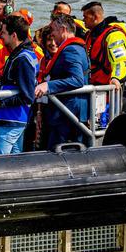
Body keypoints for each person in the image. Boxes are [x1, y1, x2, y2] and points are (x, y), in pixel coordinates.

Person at [34, 13, 90, 150]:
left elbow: (77, 80)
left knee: (58, 151)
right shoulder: (78, 48)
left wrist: (48, 85)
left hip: (68, 114)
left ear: (63, 30)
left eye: (53, 30)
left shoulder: (70, 50)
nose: (51, 34)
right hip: (71, 112)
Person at [0, 14, 38, 155]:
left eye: (4, 33)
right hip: (13, 120)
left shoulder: (22, 59)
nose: (1, 36)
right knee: (14, 163)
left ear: (14, 35)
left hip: (9, 121)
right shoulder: (22, 55)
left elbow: (27, 96)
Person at [81, 1, 126, 90]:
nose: (83, 20)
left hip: (107, 90)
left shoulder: (114, 36)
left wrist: (116, 78)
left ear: (95, 17)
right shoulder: (89, 34)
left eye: (85, 17)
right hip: (90, 86)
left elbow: (121, 61)